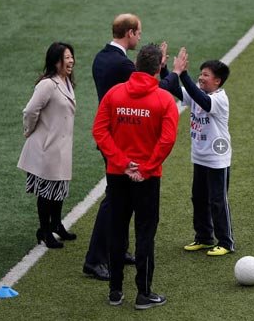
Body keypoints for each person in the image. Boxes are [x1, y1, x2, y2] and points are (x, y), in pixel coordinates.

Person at [92, 43, 179, 309]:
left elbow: (99, 131)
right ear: (157, 69)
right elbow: (167, 141)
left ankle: (115, 292)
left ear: (137, 64)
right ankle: (143, 294)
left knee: (117, 231)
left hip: (117, 175)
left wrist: (121, 162)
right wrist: (146, 168)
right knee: (145, 234)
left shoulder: (115, 94)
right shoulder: (164, 100)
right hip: (147, 179)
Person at [83, 13, 142, 280]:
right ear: (129, 33)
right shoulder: (123, 66)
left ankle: (117, 249)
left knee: (123, 196)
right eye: (138, 32)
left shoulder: (101, 57)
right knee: (115, 198)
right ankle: (95, 259)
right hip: (119, 141)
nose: (139, 36)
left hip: (109, 137)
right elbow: (145, 91)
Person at [162, 46, 235, 256]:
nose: (201, 78)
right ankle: (204, 237)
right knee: (199, 198)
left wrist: (183, 73)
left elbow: (201, 100)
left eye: (205, 75)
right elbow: (175, 90)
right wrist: (167, 70)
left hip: (217, 158)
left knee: (217, 200)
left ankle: (226, 241)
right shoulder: (199, 92)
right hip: (200, 157)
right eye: (200, 73)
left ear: (217, 81)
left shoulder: (219, 98)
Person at [17, 42, 77, 249]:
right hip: (46, 147)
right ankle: (44, 231)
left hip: (59, 147)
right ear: (56, 61)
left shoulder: (66, 81)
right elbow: (30, 110)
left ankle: (57, 225)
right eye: (66, 57)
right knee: (46, 191)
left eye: (71, 57)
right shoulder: (48, 84)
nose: (70, 61)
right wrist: (29, 130)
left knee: (58, 188)